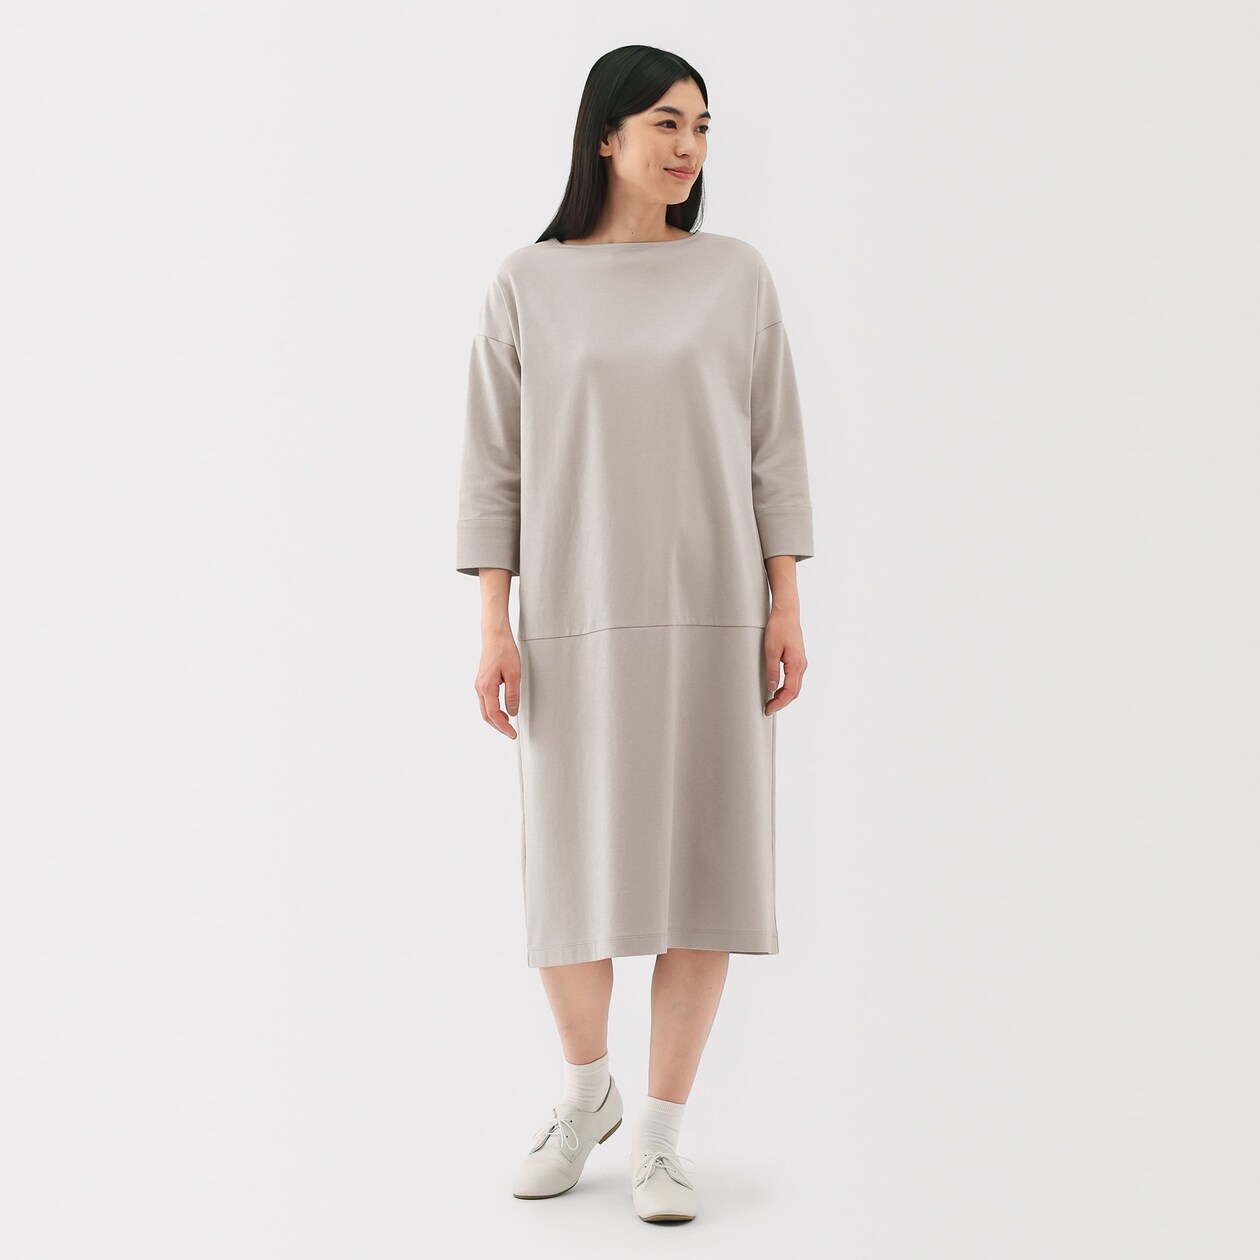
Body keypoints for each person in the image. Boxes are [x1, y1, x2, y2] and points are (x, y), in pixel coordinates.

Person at [454, 45, 815, 1224]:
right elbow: (495, 468)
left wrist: (787, 601)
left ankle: (659, 1136)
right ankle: (584, 1096)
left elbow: (773, 449)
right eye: (667, 122)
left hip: (717, 612)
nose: (689, 147)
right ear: (604, 134)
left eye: (702, 128)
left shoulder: (735, 276)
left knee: (706, 870)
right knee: (572, 870)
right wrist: (494, 621)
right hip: (574, 618)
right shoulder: (528, 283)